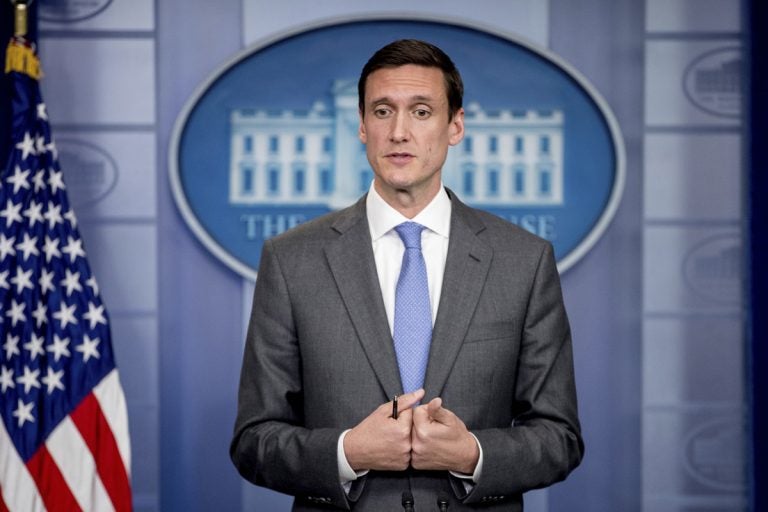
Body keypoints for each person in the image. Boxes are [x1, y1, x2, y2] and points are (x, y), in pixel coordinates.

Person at [231, 39, 583, 511]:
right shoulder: (292, 259)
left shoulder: (524, 259)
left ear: (455, 125)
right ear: (360, 126)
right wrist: (347, 452)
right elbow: (254, 440)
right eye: (382, 111)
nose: (399, 132)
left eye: (421, 111)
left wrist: (472, 454)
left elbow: (559, 437)